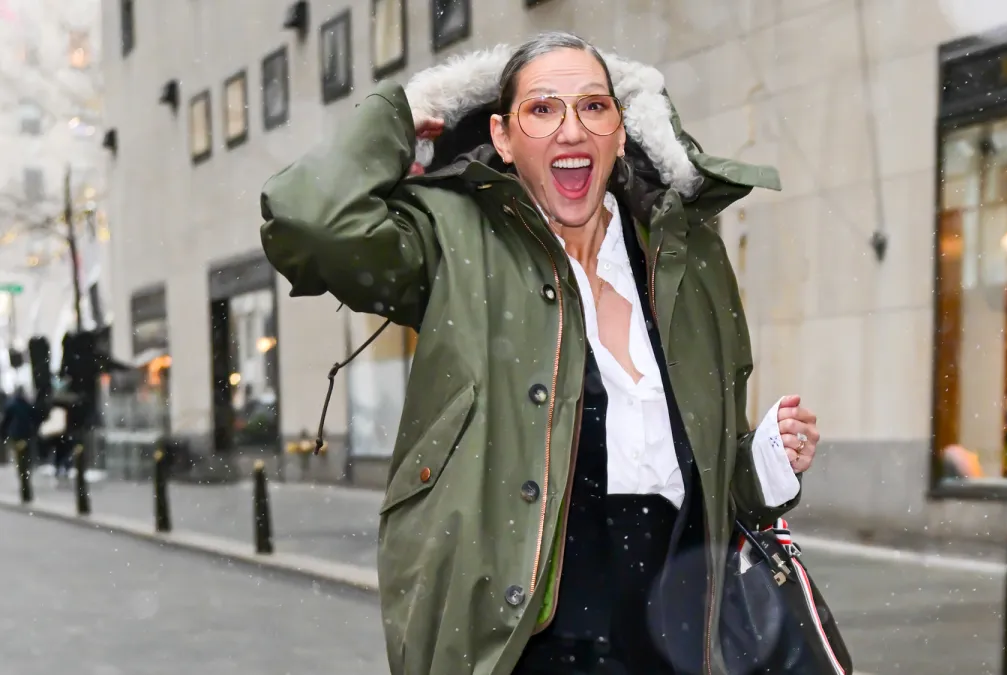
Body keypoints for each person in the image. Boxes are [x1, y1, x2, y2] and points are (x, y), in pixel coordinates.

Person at [261, 32, 822, 675]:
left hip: (671, 634)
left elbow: (704, 477)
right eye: (543, 109)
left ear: (620, 128)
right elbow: (307, 222)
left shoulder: (686, 258)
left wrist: (765, 465)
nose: (571, 130)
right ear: (502, 136)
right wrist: (401, 111)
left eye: (593, 107)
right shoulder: (455, 236)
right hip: (522, 638)